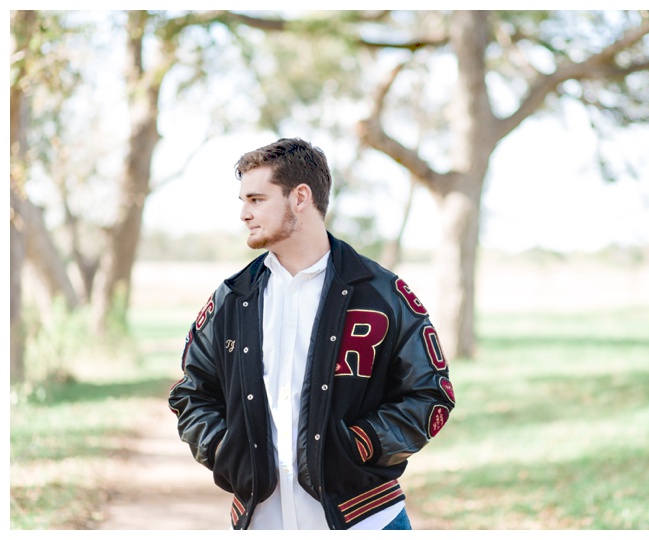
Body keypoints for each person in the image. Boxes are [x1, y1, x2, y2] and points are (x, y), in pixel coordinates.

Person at [168, 137, 455, 530]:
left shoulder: (382, 293)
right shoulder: (233, 298)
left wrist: (360, 443)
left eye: (256, 199)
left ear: (300, 197)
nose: (244, 214)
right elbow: (192, 394)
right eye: (243, 201)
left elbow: (430, 393)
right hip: (259, 522)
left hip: (368, 521)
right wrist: (224, 448)